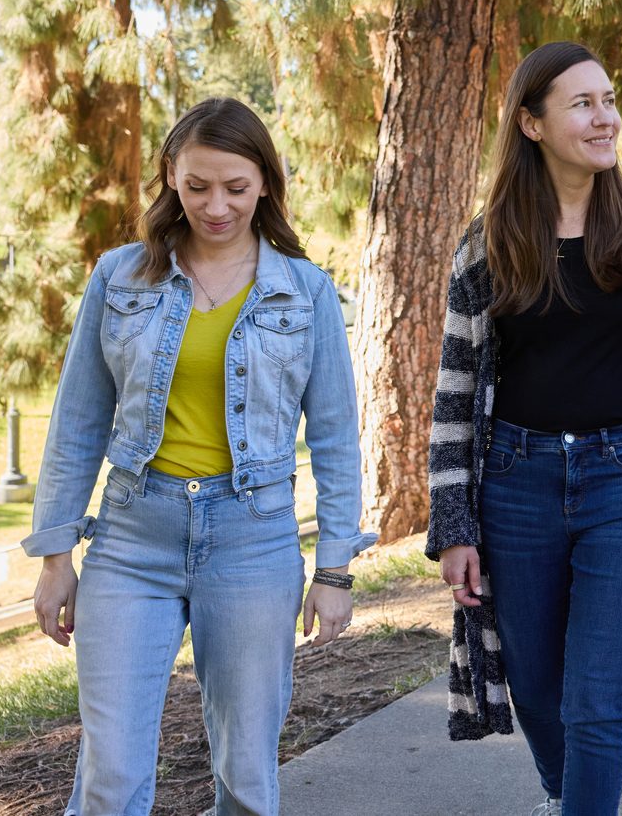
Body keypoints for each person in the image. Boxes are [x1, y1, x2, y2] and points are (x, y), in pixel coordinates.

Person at [25, 97, 375, 816]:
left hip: (254, 538)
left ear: (266, 184)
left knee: (247, 778)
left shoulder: (304, 291)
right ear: (171, 181)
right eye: (197, 187)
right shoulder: (120, 277)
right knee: (109, 778)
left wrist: (335, 567)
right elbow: (78, 421)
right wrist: (56, 553)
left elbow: (337, 436)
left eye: (237, 188)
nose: (216, 205)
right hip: (131, 535)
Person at [427, 41, 622, 816]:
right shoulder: (485, 244)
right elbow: (455, 395)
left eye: (609, 100)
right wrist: (453, 522)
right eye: (583, 104)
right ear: (531, 123)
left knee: (593, 697)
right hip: (515, 485)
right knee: (534, 683)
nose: (606, 118)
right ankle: (571, 801)